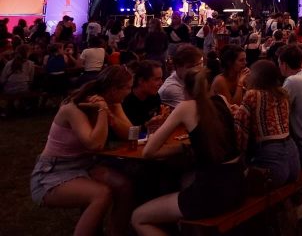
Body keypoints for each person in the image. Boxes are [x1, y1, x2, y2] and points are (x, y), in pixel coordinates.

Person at [132, 67, 245, 234]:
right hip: (237, 185)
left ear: (184, 89)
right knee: (185, 181)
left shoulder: (186, 107)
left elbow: (148, 152)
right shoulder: (221, 101)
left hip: (211, 193)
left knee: (138, 217)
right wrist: (186, 148)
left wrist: (180, 149)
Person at [30, 66, 135, 236]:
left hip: (84, 165)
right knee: (101, 194)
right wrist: (102, 111)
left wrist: (112, 117)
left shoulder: (113, 102)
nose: (130, 92)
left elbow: (130, 134)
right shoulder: (74, 108)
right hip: (53, 172)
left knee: (124, 186)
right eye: (128, 87)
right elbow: (95, 145)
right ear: (114, 89)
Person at [234, 60, 300, 188]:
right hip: (293, 157)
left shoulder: (253, 95)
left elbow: (239, 129)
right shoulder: (283, 95)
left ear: (256, 77)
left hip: (272, 160)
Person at [158, 44, 203, 108]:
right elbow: (192, 112)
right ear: (178, 67)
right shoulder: (172, 88)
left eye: (198, 64)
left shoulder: (188, 80)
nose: (196, 70)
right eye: (191, 66)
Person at [123, 60, 164, 128]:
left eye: (161, 79)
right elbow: (127, 132)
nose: (161, 83)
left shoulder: (155, 96)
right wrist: (146, 126)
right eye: (157, 79)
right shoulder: (126, 101)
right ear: (141, 81)